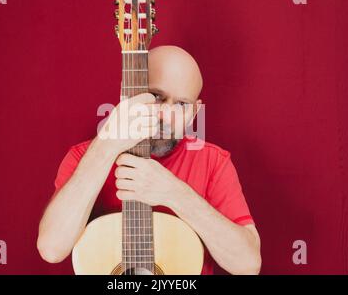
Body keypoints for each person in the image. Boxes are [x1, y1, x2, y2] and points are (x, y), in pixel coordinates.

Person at [37, 45, 261, 275]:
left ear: (194, 113)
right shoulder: (85, 157)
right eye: (156, 96)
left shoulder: (214, 162)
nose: (165, 114)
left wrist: (174, 193)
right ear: (130, 95)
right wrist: (105, 148)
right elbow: (52, 249)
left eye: (181, 105)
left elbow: (247, 265)